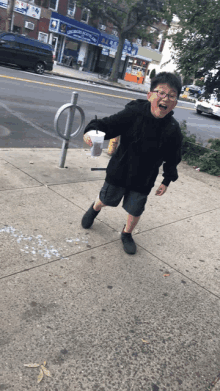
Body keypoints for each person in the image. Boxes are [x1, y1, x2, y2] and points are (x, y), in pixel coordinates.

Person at [82, 72, 183, 255]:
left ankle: (126, 233)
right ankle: (94, 209)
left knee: (136, 209)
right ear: (150, 95)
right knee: (105, 199)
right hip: (120, 169)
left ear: (175, 102)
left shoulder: (173, 129)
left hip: (144, 177)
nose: (166, 98)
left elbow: (173, 157)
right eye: (161, 92)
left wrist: (166, 180)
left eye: (171, 95)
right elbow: (109, 124)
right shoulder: (134, 112)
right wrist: (91, 131)